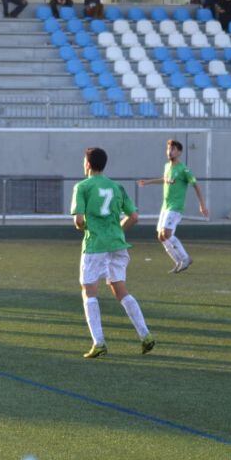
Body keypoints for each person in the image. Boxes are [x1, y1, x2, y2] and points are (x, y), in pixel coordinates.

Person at [72, 147, 155, 359]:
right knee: (121, 290)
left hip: (95, 246)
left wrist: (85, 228)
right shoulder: (117, 187)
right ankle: (145, 335)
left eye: (84, 161)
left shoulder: (82, 187)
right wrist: (118, 230)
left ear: (88, 164)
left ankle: (99, 342)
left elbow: (79, 221)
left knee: (89, 291)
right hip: (118, 245)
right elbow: (134, 217)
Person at [137, 139, 208, 273]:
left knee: (166, 233)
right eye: (168, 148)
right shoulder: (167, 166)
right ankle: (178, 261)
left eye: (173, 149)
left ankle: (186, 258)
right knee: (161, 236)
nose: (170, 151)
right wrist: (147, 182)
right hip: (165, 206)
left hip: (176, 206)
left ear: (179, 152)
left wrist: (202, 205)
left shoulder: (184, 169)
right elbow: (164, 179)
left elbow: (195, 185)